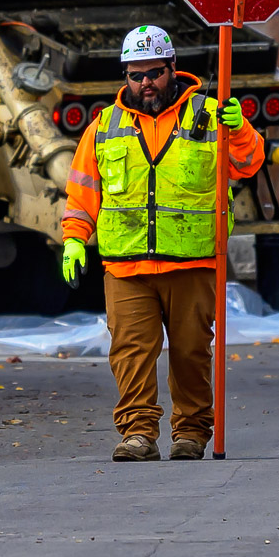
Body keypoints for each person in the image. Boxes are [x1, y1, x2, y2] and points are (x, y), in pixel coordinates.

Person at [57, 25, 264, 461]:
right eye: (136, 75)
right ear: (125, 76)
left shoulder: (209, 115)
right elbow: (82, 192)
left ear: (172, 68)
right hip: (126, 265)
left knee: (191, 353)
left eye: (154, 72)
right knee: (130, 353)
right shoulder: (104, 127)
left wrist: (241, 129)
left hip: (192, 263)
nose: (145, 83)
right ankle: (138, 434)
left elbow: (248, 164)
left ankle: (191, 433)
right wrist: (74, 239)